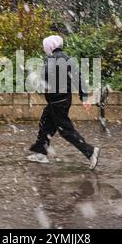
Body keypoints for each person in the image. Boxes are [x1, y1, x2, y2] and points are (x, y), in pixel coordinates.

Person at [28, 35, 100, 170]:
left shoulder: (50, 60)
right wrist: (84, 97)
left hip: (57, 100)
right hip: (63, 99)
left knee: (66, 130)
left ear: (49, 47)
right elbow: (78, 78)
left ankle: (90, 151)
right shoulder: (68, 59)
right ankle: (40, 153)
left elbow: (44, 81)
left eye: (45, 47)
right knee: (45, 123)